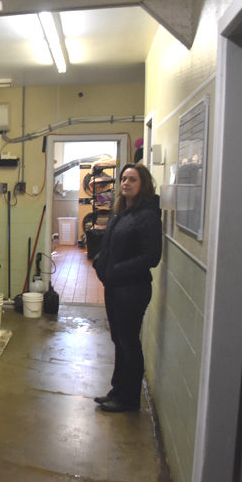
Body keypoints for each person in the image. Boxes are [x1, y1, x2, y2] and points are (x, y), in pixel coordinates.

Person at [92, 163, 162, 412]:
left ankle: (129, 399)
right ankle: (117, 390)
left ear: (143, 184)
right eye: (123, 179)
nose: (125, 183)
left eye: (132, 179)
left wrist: (116, 271)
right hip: (115, 287)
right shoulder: (121, 212)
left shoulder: (148, 216)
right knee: (119, 341)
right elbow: (109, 244)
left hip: (132, 290)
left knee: (129, 342)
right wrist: (100, 262)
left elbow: (151, 257)